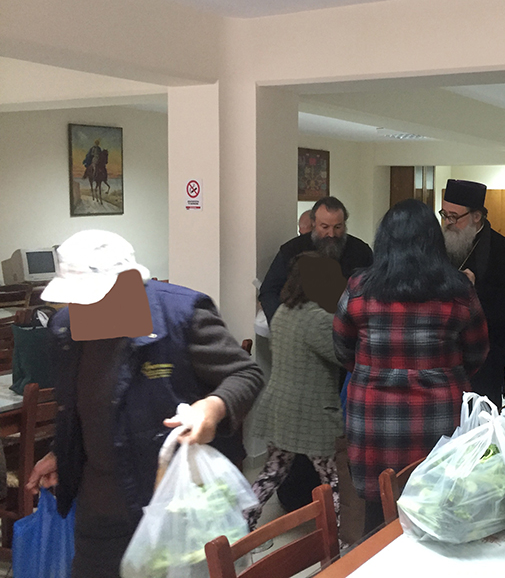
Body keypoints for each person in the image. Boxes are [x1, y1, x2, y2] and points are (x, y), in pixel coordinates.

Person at [25, 230, 263, 578]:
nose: (82, 309)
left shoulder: (180, 314)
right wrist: (64, 451)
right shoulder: (66, 328)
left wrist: (212, 407)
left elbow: (246, 373)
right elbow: (81, 408)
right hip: (99, 514)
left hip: (173, 509)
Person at [333, 199, 489, 534]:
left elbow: (343, 349)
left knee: (378, 516)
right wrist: (443, 373)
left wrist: (374, 372)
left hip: (373, 422)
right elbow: (477, 352)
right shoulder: (458, 289)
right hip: (440, 419)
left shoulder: (359, 288)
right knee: (440, 515)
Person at [247, 253, 347, 531]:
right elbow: (342, 355)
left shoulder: (283, 311)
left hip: (280, 407)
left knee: (273, 471)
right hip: (313, 414)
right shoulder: (318, 319)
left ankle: (242, 525)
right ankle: (341, 537)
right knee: (334, 479)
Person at [440, 179, 505, 407]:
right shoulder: (438, 245)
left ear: (476, 216)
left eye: (454, 217)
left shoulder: (502, 250)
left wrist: (477, 290)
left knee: (482, 412)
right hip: (444, 351)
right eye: (444, 215)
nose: (448, 223)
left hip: (487, 352)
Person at [259, 196, 372, 324]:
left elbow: (373, 291)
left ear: (345, 224)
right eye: (325, 227)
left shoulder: (361, 251)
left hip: (349, 326)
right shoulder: (292, 249)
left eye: (338, 227)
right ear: (313, 223)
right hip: (301, 325)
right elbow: (269, 291)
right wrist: (282, 323)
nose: (331, 234)